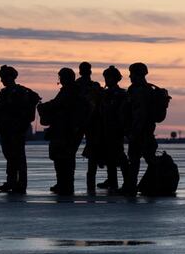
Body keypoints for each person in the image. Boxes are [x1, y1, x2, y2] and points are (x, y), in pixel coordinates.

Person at [0, 65, 39, 194]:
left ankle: (20, 184)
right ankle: (11, 181)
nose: (1, 80)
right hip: (6, 129)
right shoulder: (4, 93)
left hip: (16, 130)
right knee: (10, 157)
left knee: (18, 157)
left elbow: (18, 112)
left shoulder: (20, 92)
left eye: (3, 77)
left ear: (10, 77)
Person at [38, 68, 87, 196]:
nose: (60, 80)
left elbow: (57, 104)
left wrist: (43, 107)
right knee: (63, 158)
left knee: (63, 159)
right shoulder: (72, 90)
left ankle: (65, 184)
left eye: (61, 77)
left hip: (65, 131)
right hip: (67, 130)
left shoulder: (70, 91)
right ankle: (64, 183)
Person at [119, 62, 159, 197]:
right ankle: (136, 186)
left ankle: (137, 187)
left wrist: (133, 132)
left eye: (132, 74)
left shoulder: (141, 91)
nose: (130, 76)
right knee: (140, 160)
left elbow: (140, 114)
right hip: (142, 131)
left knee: (141, 160)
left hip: (142, 132)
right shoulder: (140, 89)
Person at [89, 65, 128, 193]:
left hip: (115, 130)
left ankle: (128, 182)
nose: (106, 80)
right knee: (110, 158)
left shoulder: (119, 94)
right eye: (105, 77)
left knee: (119, 157)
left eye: (108, 77)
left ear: (115, 79)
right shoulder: (105, 94)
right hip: (105, 130)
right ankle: (113, 181)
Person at [77, 62, 104, 193]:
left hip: (84, 123)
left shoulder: (77, 86)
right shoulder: (94, 86)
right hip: (91, 124)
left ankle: (90, 184)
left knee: (92, 153)